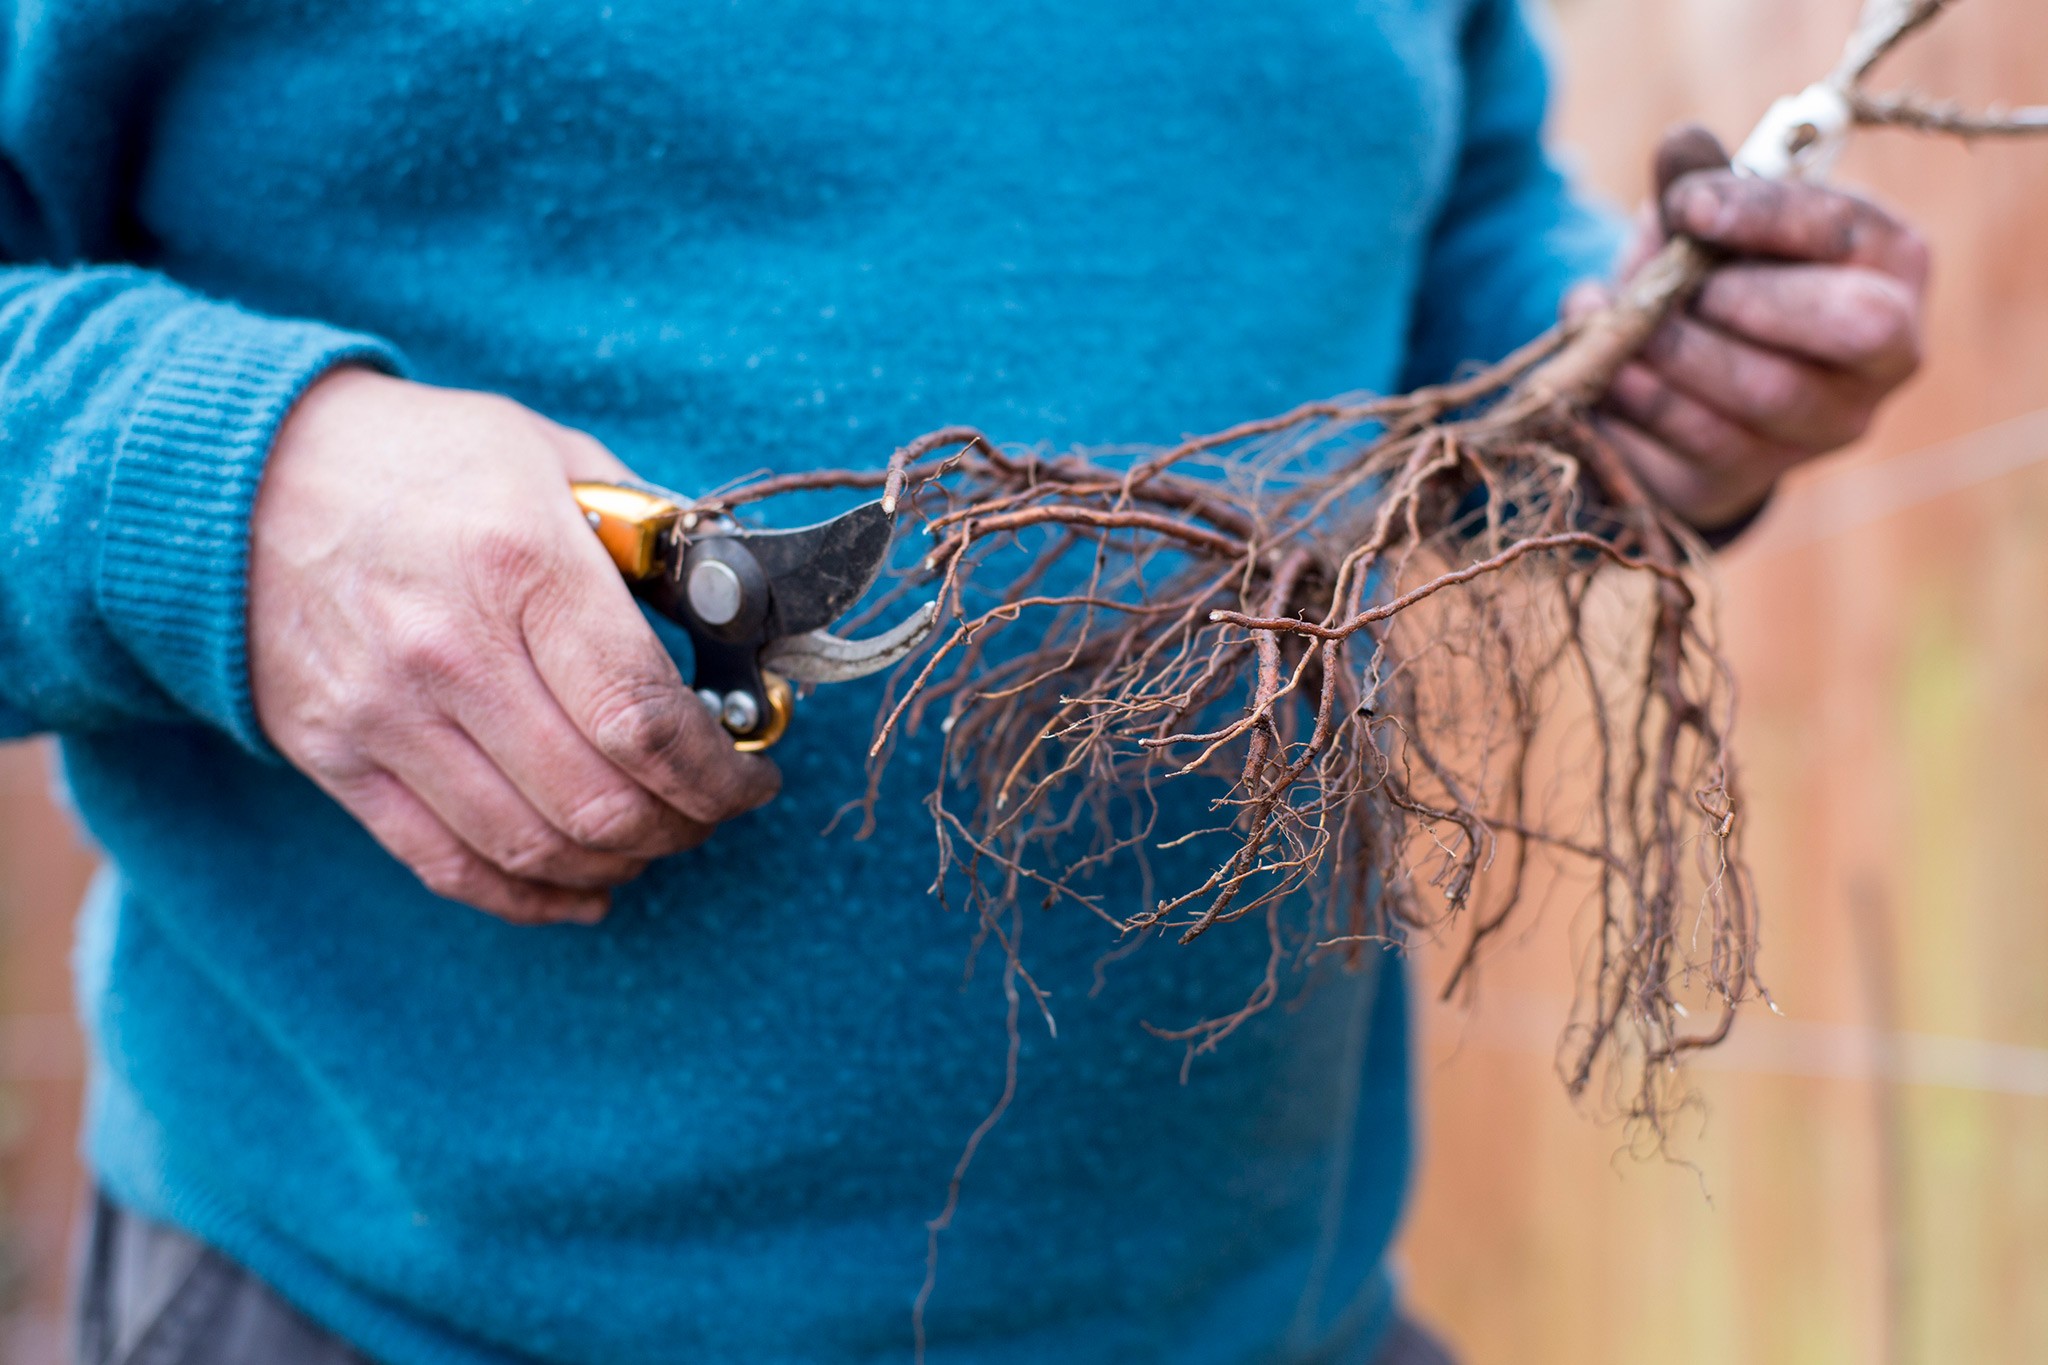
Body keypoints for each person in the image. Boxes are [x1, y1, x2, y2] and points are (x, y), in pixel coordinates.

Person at [0, 2, 1924, 1362]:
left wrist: (1643, 374)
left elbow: (1448, 219)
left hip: (1270, 1311)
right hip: (372, 1313)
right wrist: (237, 493)